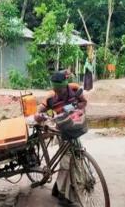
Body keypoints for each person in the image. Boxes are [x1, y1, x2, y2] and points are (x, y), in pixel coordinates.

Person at [35, 71, 87, 207]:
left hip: (74, 127)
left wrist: (77, 108)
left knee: (77, 158)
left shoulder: (75, 90)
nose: (58, 92)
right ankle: (63, 195)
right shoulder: (51, 97)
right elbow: (39, 111)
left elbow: (84, 102)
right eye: (56, 90)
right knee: (66, 162)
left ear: (66, 86)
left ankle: (59, 188)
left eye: (61, 90)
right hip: (62, 131)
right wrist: (39, 116)